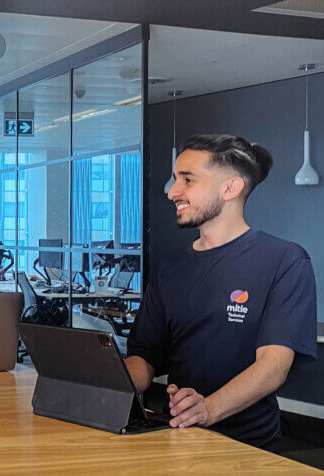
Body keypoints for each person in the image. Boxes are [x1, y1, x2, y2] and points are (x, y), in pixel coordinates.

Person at [126, 134, 317, 452]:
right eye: (176, 179)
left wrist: (208, 409)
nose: (173, 192)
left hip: (249, 449)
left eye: (187, 180)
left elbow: (273, 366)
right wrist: (94, 384)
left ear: (230, 188)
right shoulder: (170, 268)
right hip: (177, 438)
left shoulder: (285, 261)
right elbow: (144, 357)